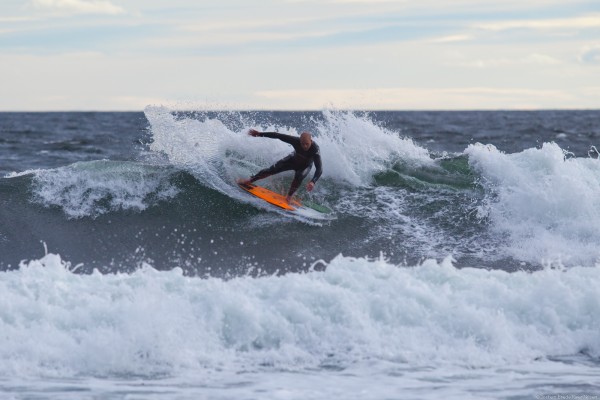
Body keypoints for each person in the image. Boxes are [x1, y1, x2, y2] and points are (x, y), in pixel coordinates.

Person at [238, 129, 323, 203]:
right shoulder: (295, 140)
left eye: (307, 144)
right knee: (272, 169)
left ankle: (289, 197)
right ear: (299, 141)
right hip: (292, 160)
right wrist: (260, 134)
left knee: (299, 176)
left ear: (311, 141)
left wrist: (313, 181)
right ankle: (250, 180)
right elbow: (278, 135)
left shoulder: (315, 149)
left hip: (305, 166)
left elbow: (319, 168)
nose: (304, 146)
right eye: (302, 144)